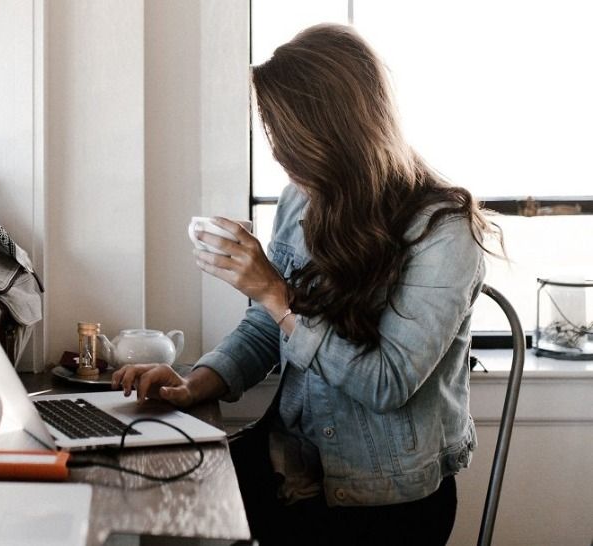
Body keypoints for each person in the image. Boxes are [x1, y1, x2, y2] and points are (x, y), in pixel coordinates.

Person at [112, 23, 501, 546]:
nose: (279, 156)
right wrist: (192, 385)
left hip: (383, 500)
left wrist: (276, 292)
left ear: (337, 132)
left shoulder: (445, 232)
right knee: (137, 498)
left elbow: (385, 383)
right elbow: (266, 328)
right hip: (290, 464)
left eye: (286, 138)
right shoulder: (304, 199)